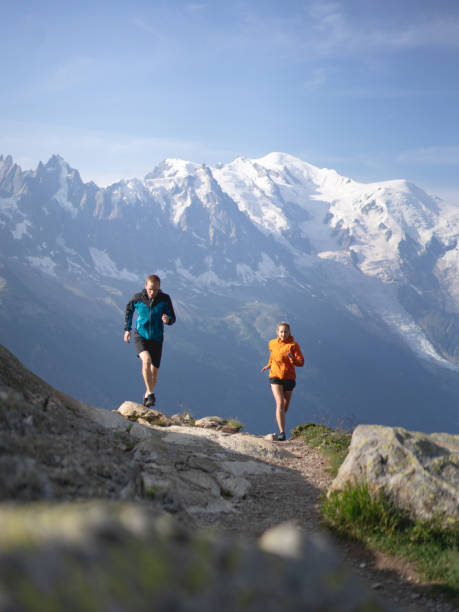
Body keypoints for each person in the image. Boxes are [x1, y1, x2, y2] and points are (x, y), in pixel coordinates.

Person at [124, 274, 176, 407]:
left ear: (159, 288)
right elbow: (129, 310)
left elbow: (172, 318)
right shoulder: (138, 298)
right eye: (150, 289)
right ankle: (151, 393)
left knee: (154, 373)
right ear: (146, 286)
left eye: (155, 289)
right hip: (140, 335)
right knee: (146, 361)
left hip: (157, 339)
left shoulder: (165, 299)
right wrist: (127, 329)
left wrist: (167, 320)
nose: (152, 292)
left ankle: (147, 394)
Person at [260, 321, 304, 441]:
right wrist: (268, 365)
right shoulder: (272, 343)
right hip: (275, 376)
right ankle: (282, 432)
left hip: (289, 378)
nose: (283, 334)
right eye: (281, 331)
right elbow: (272, 356)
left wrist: (293, 359)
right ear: (277, 332)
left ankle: (280, 419)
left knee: (285, 407)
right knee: (279, 403)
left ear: (289, 332)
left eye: (285, 331)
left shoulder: (293, 345)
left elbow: (301, 362)